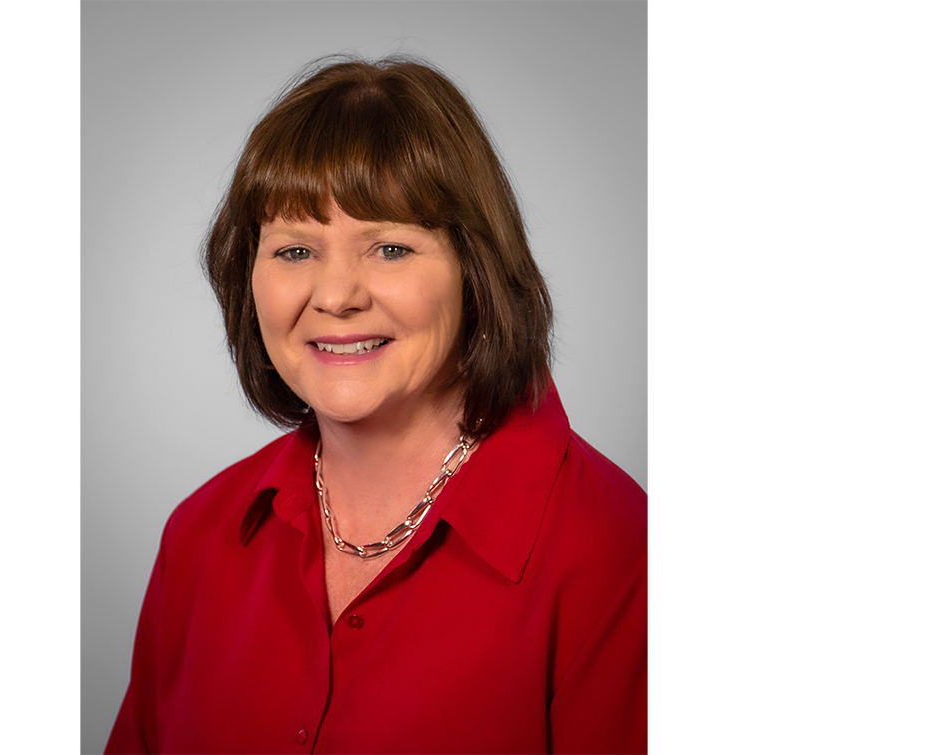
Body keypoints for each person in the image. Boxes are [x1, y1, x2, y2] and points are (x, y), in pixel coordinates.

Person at [105, 55, 646, 754]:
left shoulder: (614, 551)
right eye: (295, 250)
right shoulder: (200, 537)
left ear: (474, 270)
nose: (336, 296)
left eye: (390, 247)